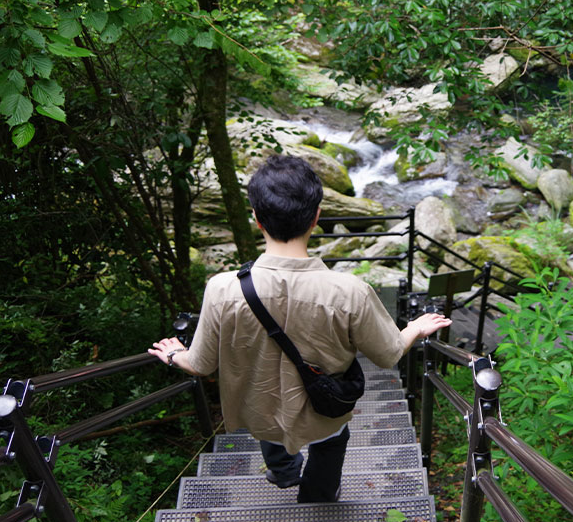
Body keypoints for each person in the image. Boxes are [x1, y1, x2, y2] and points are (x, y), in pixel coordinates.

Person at [148, 154, 450, 503]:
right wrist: (414, 327)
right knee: (331, 443)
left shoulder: (222, 289)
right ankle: (318, 495)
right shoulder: (349, 291)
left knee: (272, 429)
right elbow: (389, 353)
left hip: (260, 412)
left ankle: (284, 472)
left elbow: (199, 365)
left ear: (257, 219)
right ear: (316, 216)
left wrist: (173, 355)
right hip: (322, 414)